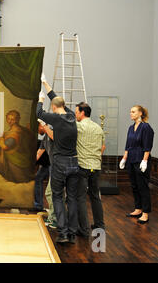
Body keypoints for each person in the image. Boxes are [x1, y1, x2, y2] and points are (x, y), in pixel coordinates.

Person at [37, 74, 79, 244]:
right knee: (72, 198)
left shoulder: (56, 118)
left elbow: (39, 112)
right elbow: (55, 99)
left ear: (53, 108)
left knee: (57, 196)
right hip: (74, 162)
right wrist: (45, 83)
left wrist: (40, 99)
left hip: (60, 162)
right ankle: (73, 232)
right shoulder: (71, 116)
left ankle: (63, 233)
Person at [75, 102, 106, 236]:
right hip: (96, 167)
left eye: (76, 112)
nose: (75, 114)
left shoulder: (78, 126)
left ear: (82, 113)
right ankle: (100, 224)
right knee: (95, 197)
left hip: (83, 166)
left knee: (80, 198)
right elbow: (103, 147)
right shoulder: (98, 128)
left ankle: (84, 229)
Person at [119, 105, 154, 224]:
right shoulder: (131, 127)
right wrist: (124, 158)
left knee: (142, 186)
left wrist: (144, 160)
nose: (131, 113)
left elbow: (147, 146)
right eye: (130, 112)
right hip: (131, 160)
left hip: (141, 160)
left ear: (140, 113)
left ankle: (145, 213)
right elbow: (128, 145)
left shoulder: (146, 127)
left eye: (133, 112)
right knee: (134, 186)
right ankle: (138, 209)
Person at [34, 122, 51, 211]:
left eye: (38, 128)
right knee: (38, 178)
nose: (38, 131)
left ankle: (54, 214)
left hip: (54, 164)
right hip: (47, 163)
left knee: (51, 191)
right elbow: (39, 152)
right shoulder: (46, 137)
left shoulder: (51, 133)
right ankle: (38, 205)